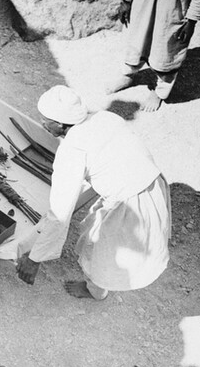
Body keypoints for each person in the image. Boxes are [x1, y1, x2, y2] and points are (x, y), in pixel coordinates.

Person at [16, 86, 171, 300]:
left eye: (45, 120)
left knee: (102, 250)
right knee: (109, 237)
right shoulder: (104, 117)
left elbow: (60, 214)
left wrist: (35, 259)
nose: (42, 123)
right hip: (152, 182)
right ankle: (98, 286)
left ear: (60, 124)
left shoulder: (72, 151)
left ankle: (96, 290)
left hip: (131, 201)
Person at [106, 0, 200, 112]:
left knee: (166, 52)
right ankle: (128, 76)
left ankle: (159, 92)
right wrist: (126, 0)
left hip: (171, 13)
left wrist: (192, 21)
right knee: (136, 42)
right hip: (143, 4)